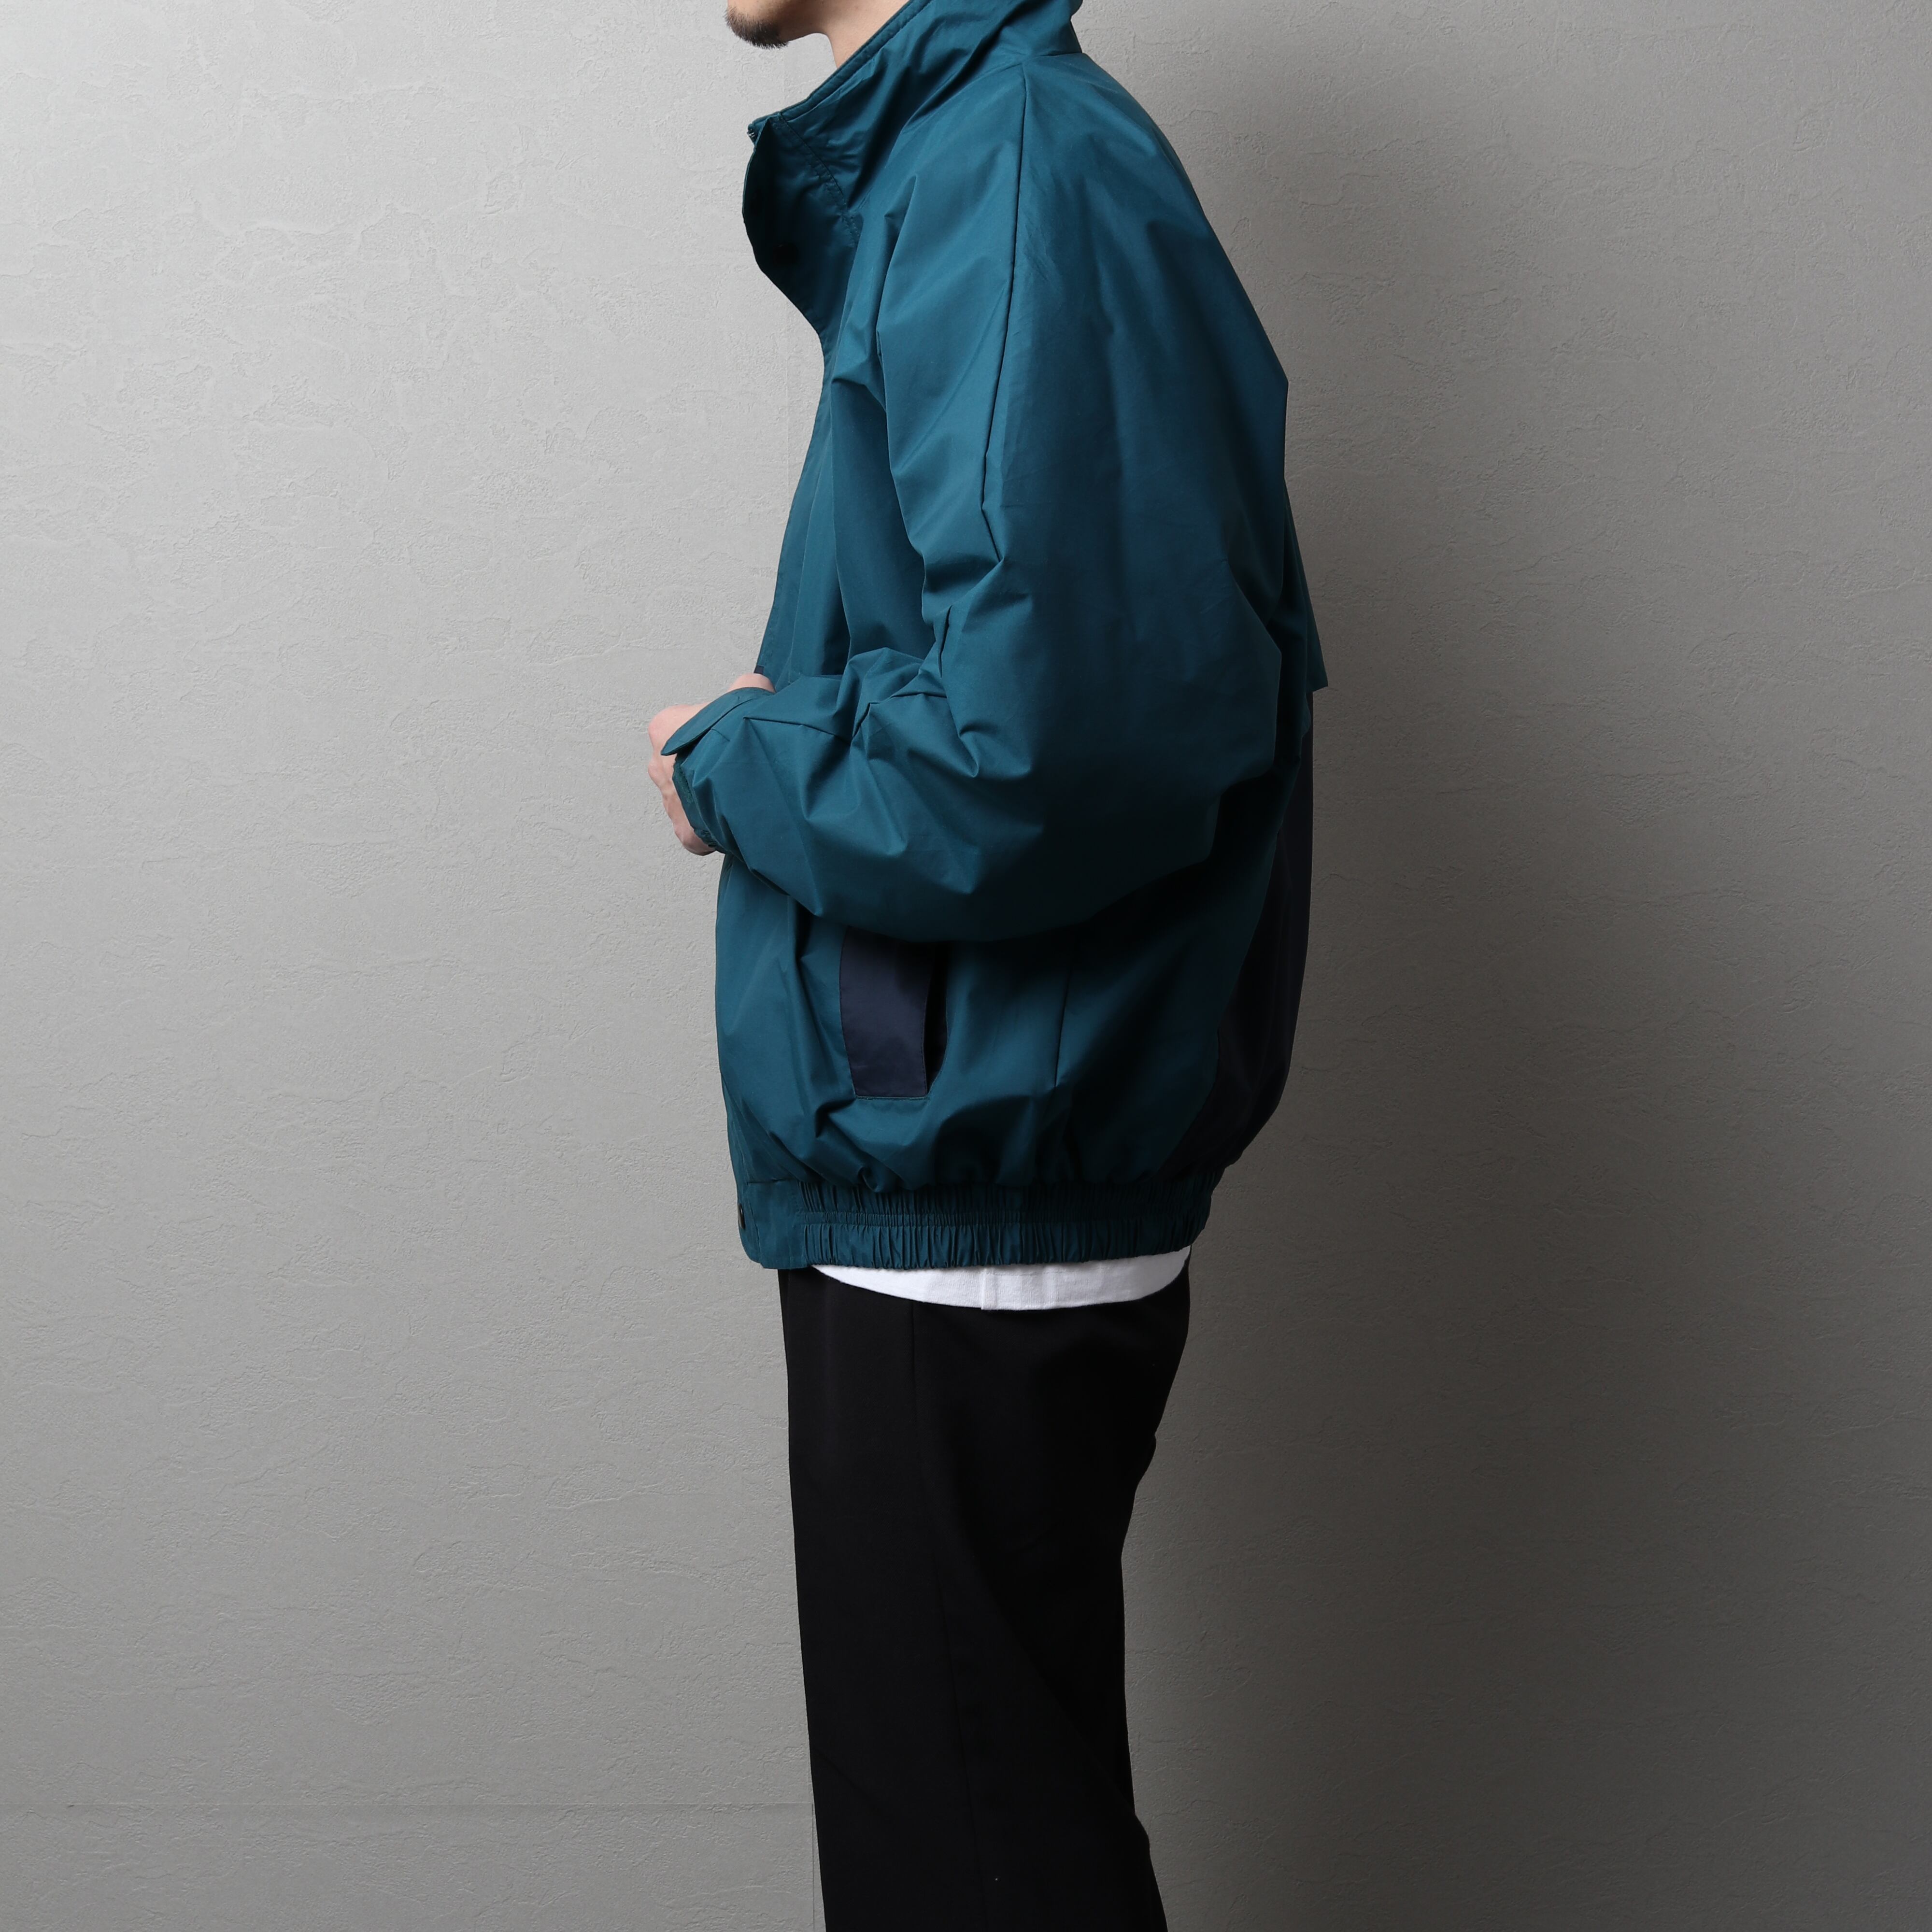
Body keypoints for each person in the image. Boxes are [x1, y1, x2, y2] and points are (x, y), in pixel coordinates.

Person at [647, 0, 1324, 1923]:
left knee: (971, 1865)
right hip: (958, 1150)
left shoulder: (1018, 171)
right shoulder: (983, 162)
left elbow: (1054, 745)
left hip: (969, 1161)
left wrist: (737, 754)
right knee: (978, 1840)